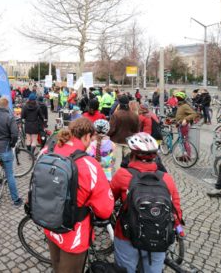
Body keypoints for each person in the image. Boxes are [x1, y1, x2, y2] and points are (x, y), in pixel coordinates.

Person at [41, 117, 113, 273]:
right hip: (74, 233)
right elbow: (105, 209)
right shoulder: (89, 164)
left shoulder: (48, 150)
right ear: (87, 136)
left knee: (56, 263)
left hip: (48, 222)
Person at [110, 132, 183, 273]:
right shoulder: (166, 178)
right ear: (155, 157)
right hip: (158, 236)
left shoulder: (123, 175)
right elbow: (176, 210)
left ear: (132, 154)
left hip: (127, 236)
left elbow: (108, 202)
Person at [108, 95, 139, 171]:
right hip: (129, 141)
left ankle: (117, 180)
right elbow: (136, 130)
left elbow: (111, 129)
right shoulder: (134, 115)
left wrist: (108, 135)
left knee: (116, 164)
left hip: (117, 141)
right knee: (130, 163)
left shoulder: (116, 115)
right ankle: (129, 179)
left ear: (119, 104)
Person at [173, 91, 199, 162]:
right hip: (179, 125)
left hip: (184, 126)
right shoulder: (180, 106)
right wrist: (173, 120)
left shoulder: (185, 106)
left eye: (177, 98)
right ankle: (184, 155)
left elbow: (194, 114)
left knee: (185, 141)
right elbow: (180, 116)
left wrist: (185, 119)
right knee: (182, 141)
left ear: (179, 99)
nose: (176, 99)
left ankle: (188, 156)